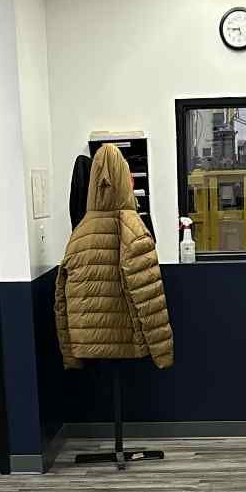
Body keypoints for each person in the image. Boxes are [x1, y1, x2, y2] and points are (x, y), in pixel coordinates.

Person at [55, 143, 174, 371]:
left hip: (87, 343)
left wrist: (70, 354)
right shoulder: (132, 227)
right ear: (124, 181)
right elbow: (149, 296)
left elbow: (61, 297)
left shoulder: (79, 232)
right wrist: (163, 354)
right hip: (126, 340)